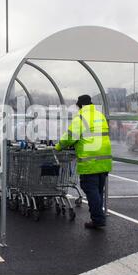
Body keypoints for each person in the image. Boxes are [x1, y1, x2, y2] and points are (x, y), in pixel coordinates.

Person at [55, 95, 112, 229]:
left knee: (90, 189)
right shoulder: (100, 115)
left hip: (90, 161)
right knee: (98, 191)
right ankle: (98, 216)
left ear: (80, 106)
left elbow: (70, 137)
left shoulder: (81, 118)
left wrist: (58, 146)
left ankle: (98, 219)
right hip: (104, 160)